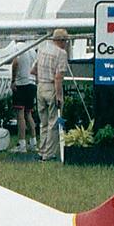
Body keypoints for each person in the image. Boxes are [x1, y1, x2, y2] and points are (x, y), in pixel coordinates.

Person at [35, 29, 71, 160]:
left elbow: (33, 70)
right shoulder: (61, 53)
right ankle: (48, 154)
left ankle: (42, 150)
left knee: (43, 122)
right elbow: (58, 77)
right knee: (53, 122)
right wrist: (60, 96)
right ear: (61, 41)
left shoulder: (42, 49)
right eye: (66, 41)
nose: (66, 43)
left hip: (40, 87)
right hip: (51, 87)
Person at [9, 40, 38, 153]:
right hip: (32, 83)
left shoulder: (17, 47)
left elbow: (15, 63)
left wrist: (13, 80)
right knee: (29, 114)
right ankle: (33, 142)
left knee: (20, 115)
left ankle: (22, 144)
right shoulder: (32, 49)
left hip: (21, 84)